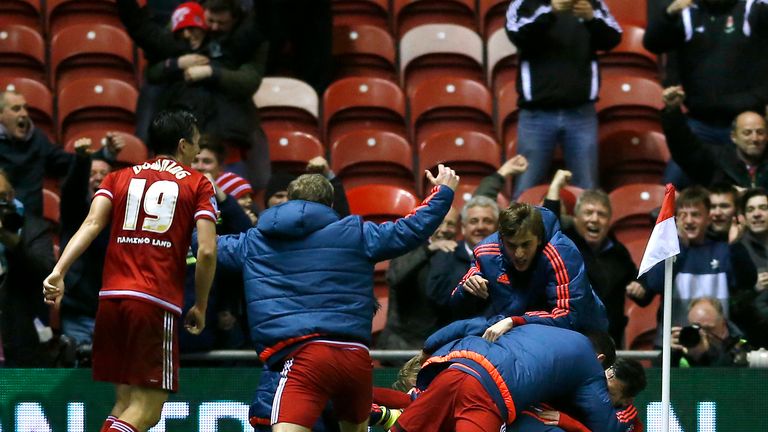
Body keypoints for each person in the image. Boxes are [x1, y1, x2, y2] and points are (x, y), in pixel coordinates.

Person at [214, 165, 458, 432]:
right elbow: (411, 229)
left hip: (305, 356)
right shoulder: (357, 233)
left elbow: (206, 247)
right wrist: (442, 192)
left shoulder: (255, 241)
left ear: (290, 200)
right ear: (330, 204)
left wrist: (191, 209)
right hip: (355, 356)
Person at [42, 110, 218, 432]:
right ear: (182, 146)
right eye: (195, 145)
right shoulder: (197, 182)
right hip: (153, 301)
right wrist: (201, 305)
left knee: (125, 404)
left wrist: (59, 271)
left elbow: (92, 223)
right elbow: (206, 250)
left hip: (110, 300)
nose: (196, 152)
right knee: (149, 409)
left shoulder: (118, 177)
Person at [393, 321, 645, 432]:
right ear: (599, 361)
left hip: (455, 366)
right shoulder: (589, 366)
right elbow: (605, 428)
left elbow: (472, 324)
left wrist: (429, 348)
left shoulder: (537, 327)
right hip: (487, 392)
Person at [643, 0, 768, 186]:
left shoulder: (752, 8)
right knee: (671, 187)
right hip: (700, 123)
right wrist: (668, 14)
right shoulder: (687, 13)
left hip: (745, 125)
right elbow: (653, 43)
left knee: (747, 186)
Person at [505, 0, 622, 197]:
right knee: (526, 189)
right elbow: (516, 33)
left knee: (587, 190)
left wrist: (591, 19)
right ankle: (517, 228)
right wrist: (550, 12)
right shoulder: (525, 3)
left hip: (581, 113)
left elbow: (614, 37)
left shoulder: (591, 3)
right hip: (536, 114)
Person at [449, 202, 609, 337]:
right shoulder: (485, 252)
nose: (519, 254)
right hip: (520, 332)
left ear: (539, 239)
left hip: (585, 333)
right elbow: (455, 309)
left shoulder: (561, 252)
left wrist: (515, 321)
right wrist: (466, 291)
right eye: (511, 245)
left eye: (525, 244)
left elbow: (570, 316)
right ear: (501, 239)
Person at [543, 169, 646, 346]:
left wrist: (642, 286)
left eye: (602, 214)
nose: (595, 219)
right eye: (589, 212)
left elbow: (639, 288)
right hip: (569, 336)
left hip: (609, 340)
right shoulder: (563, 242)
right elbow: (547, 221)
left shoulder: (618, 252)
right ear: (575, 218)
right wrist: (555, 186)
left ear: (610, 221)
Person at [640, 186, 756, 341]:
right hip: (674, 344)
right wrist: (681, 247)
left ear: (708, 218)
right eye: (683, 215)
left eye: (695, 215)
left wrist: (735, 245)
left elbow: (747, 281)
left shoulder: (723, 250)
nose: (688, 221)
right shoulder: (669, 253)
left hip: (717, 344)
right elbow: (655, 284)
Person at [59, 137, 126, 361]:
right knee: (78, 380)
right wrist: (82, 160)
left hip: (115, 312)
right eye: (92, 173)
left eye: (104, 174)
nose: (97, 178)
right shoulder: (75, 211)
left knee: (114, 378)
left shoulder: (127, 217)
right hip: (78, 311)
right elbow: (73, 191)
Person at [0, 90, 117, 217]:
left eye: (25, 108)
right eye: (16, 109)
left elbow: (68, 162)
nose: (24, 113)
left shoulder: (37, 139)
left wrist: (105, 153)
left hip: (31, 224)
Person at [377, 207, 461, 351]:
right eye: (439, 222)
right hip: (400, 348)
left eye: (450, 224)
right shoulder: (408, 246)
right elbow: (395, 277)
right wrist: (429, 249)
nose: (445, 229)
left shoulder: (458, 254)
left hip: (439, 348)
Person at [660, 85, 768, 190]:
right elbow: (685, 147)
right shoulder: (718, 161)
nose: (754, 138)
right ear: (734, 137)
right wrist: (672, 111)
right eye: (747, 133)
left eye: (760, 132)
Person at [0, 170, 55, 367]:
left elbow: (46, 274)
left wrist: (14, 244)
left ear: (11, 196)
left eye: (2, 198)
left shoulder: (33, 229)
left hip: (22, 337)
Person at [426, 196, 500, 322]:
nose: (480, 227)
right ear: (464, 228)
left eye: (487, 221)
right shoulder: (446, 253)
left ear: (497, 227)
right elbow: (436, 297)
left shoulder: (507, 257)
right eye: (474, 221)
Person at [733, 188, 768, 347]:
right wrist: (753, 289)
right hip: (750, 340)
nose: (757, 214)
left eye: (763, 208)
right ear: (744, 218)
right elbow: (729, 305)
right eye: (750, 209)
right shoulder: (736, 252)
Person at [671, 297, 750, 367]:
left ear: (723, 324)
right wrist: (670, 353)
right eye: (696, 328)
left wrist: (702, 356)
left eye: (708, 329)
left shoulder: (740, 342)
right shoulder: (686, 342)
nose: (702, 334)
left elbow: (726, 377)